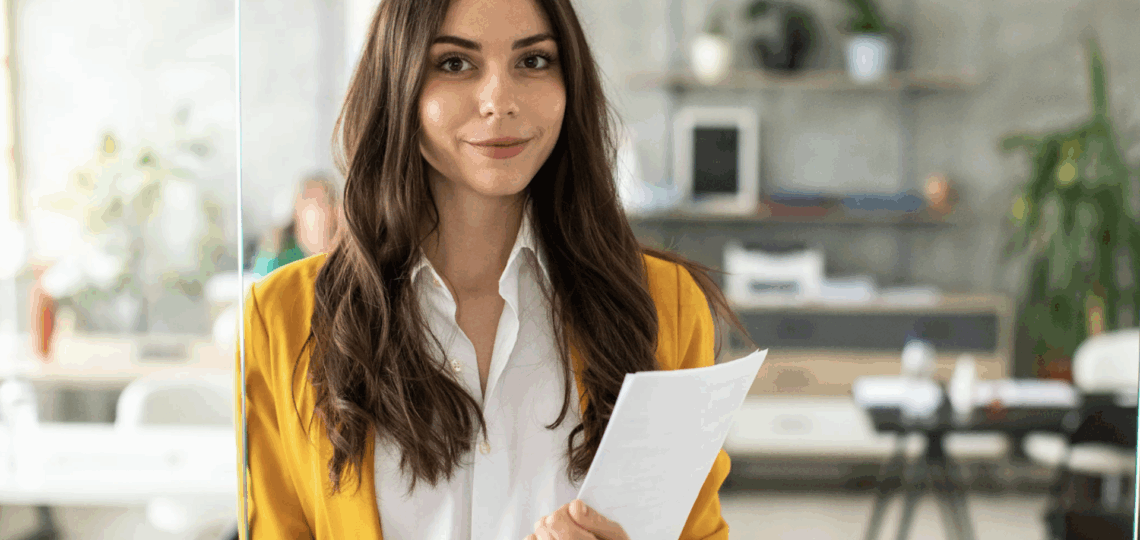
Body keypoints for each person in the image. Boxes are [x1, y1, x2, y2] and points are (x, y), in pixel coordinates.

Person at [236, 0, 753, 538]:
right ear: (398, 83)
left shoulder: (665, 305)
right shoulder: (280, 320)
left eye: (533, 61)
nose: (500, 102)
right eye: (455, 64)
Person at [250, 172, 341, 278]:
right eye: (319, 203)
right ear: (297, 212)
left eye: (329, 202)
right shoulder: (276, 256)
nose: (330, 211)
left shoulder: (343, 256)